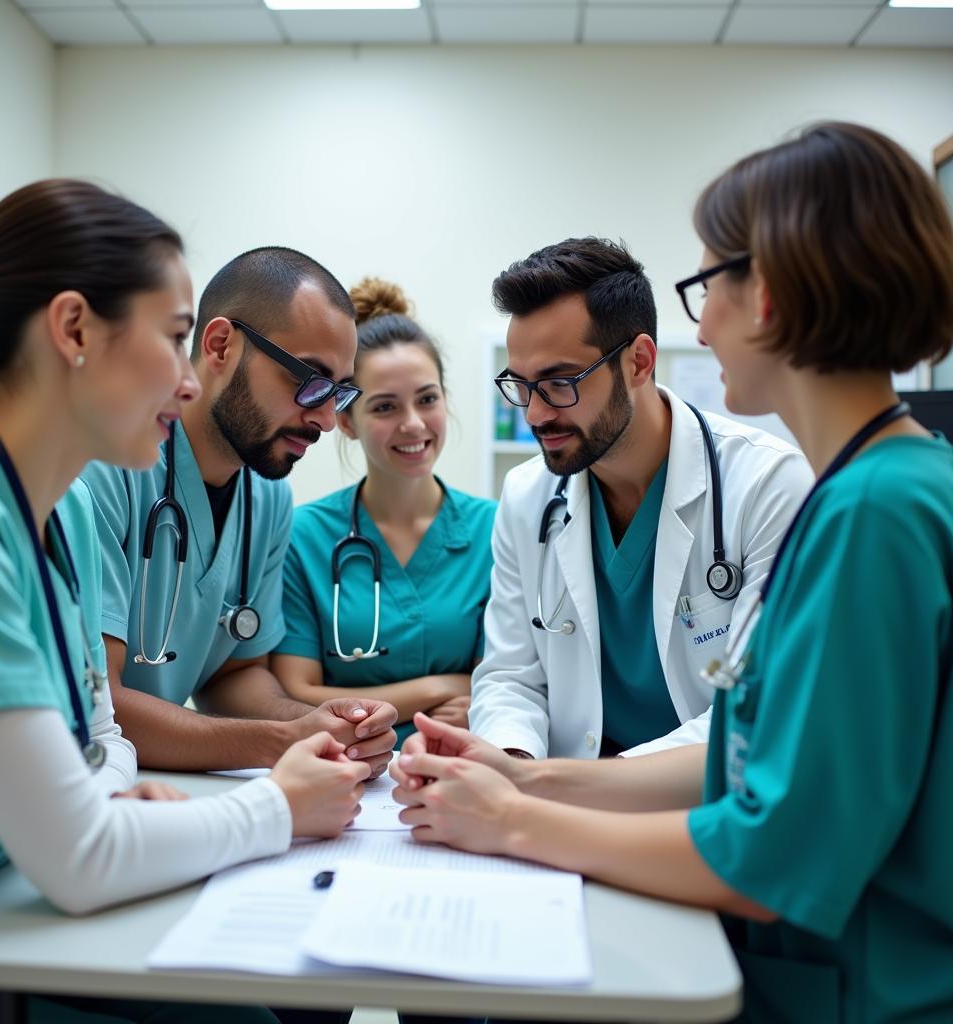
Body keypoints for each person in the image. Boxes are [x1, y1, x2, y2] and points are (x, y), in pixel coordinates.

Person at [392, 122, 953, 1023]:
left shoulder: (866, 511)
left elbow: (774, 849)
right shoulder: (882, 486)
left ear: (765, 292)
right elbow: (747, 762)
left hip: (857, 991)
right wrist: (519, 774)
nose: (703, 322)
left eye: (705, 286)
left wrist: (512, 822)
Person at [0, 180, 369, 1024]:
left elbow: (100, 735)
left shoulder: (54, 521)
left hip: (21, 913)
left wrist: (116, 789)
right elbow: (81, 853)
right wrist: (277, 803)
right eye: (173, 339)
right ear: (73, 331)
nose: (185, 378)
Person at [469, 237, 813, 760]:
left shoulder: (767, 484)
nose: (535, 415)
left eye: (560, 382)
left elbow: (754, 711)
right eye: (520, 384)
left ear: (638, 362)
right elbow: (510, 677)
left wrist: (569, 787)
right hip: (560, 798)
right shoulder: (526, 496)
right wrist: (511, 763)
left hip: (697, 803)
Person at [79, 249, 397, 775]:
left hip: (169, 784)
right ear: (221, 345)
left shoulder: (267, 495)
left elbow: (234, 675)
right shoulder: (108, 466)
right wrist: (279, 741)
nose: (323, 418)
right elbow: (100, 703)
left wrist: (330, 725)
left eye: (339, 392)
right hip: (94, 790)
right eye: (309, 380)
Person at [270, 278, 496, 745]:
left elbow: (502, 684)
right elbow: (294, 689)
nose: (413, 424)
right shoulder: (304, 535)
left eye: (427, 399)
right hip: (345, 768)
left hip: (459, 767)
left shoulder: (496, 530)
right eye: (385, 406)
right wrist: (439, 688)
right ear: (347, 420)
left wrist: (480, 698)